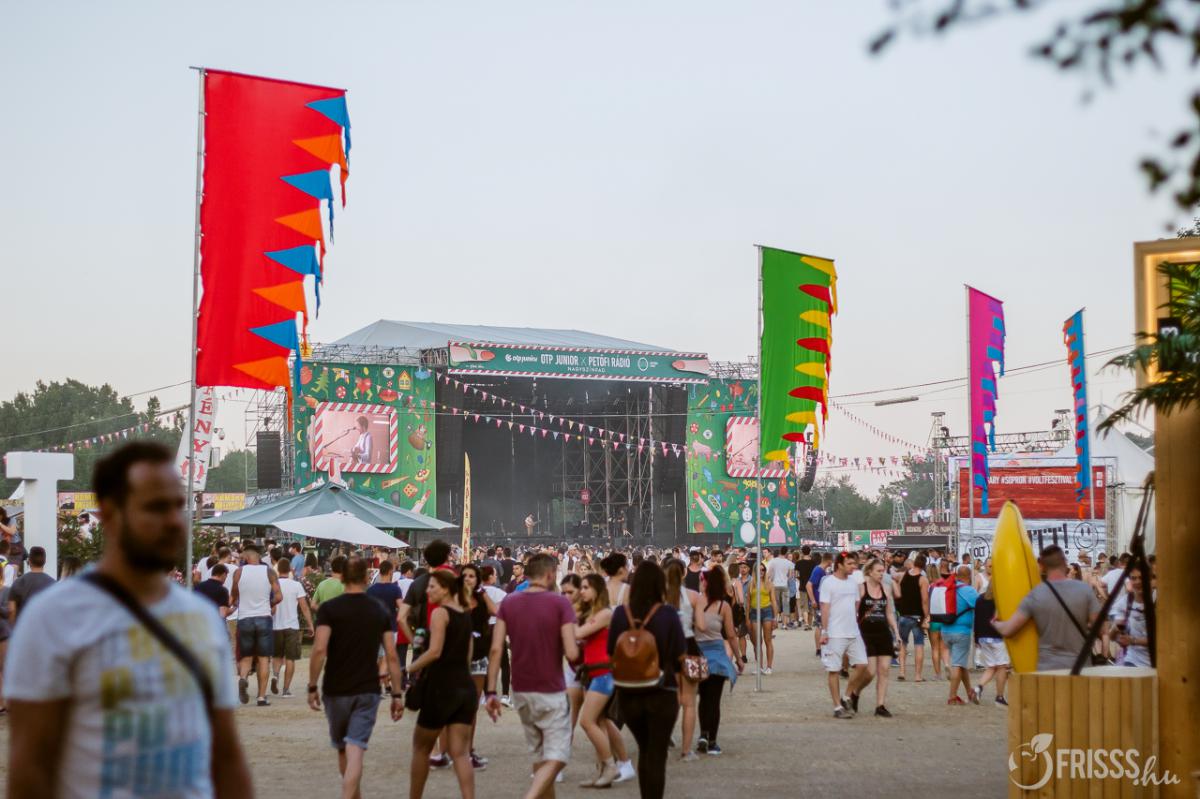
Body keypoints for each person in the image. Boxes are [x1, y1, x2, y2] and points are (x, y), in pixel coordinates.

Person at [4, 441, 253, 796]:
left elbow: (226, 757)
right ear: (109, 513)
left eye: (178, 505)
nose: (174, 521)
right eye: (155, 507)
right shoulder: (54, 618)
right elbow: (30, 768)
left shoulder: (202, 618)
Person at [308, 556, 404, 799]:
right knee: (356, 749)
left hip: (336, 687)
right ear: (365, 577)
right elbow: (391, 655)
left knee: (343, 748)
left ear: (341, 576)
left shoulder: (329, 609)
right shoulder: (378, 609)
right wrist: (396, 693)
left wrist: (312, 685)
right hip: (367, 688)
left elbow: (319, 649)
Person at [485, 553, 579, 798]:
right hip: (551, 688)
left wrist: (492, 691)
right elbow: (571, 652)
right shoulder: (560, 604)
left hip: (521, 689)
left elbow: (496, 649)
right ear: (550, 574)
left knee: (540, 755)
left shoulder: (509, 603)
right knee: (558, 755)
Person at [607, 561, 686, 799]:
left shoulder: (621, 614)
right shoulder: (668, 614)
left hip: (629, 693)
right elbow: (679, 654)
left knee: (644, 749)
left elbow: (611, 651)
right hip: (663, 690)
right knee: (657, 754)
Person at [406, 570, 478, 799]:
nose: (428, 591)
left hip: (441, 687)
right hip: (464, 687)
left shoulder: (440, 613)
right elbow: (468, 655)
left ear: (446, 589)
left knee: (421, 747)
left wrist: (409, 668)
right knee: (460, 753)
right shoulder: (465, 614)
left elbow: (435, 651)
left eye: (432, 587)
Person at [993, 545, 1104, 671]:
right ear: (1065, 562)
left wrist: (995, 623)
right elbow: (1100, 628)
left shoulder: (1035, 595)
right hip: (1081, 667)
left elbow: (1008, 630)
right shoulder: (1084, 590)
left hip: (1049, 669)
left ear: (1042, 566)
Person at [573, 573, 633, 787]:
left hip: (603, 673)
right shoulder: (593, 613)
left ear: (597, 590)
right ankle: (607, 769)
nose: (582, 591)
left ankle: (611, 765)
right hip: (592, 672)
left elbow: (578, 633)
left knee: (587, 721)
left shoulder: (605, 613)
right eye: (581, 587)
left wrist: (568, 615)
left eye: (586, 587)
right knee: (602, 722)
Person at [695, 563, 741, 755]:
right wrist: (739, 659)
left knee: (703, 699)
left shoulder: (696, 602)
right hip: (717, 657)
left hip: (698, 656)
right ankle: (712, 741)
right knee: (714, 701)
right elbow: (731, 635)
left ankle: (703, 735)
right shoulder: (724, 606)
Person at [230, 541, 282, 707]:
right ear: (259, 557)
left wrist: (235, 603)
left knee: (246, 656)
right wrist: (269, 603)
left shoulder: (239, 572)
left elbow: (233, 595)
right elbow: (279, 596)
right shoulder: (269, 572)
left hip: (245, 618)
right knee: (263, 659)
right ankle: (261, 697)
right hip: (264, 617)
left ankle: (243, 678)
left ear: (246, 557)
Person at [819, 552, 870, 718]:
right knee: (833, 669)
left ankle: (847, 695)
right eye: (850, 563)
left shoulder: (853, 582)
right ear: (839, 564)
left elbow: (856, 604)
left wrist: (853, 620)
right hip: (834, 633)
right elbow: (825, 608)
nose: (854, 567)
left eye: (854, 564)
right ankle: (837, 707)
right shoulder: (828, 583)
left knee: (862, 664)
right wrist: (824, 631)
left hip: (853, 631)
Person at [663, 558, 705, 760]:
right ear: (684, 573)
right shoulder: (693, 596)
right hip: (688, 645)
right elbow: (702, 626)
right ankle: (686, 750)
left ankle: (663, 740)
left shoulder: (659, 596)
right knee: (689, 702)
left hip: (664, 649)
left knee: (667, 699)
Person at [460, 563, 497, 770]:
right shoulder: (454, 599)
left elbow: (496, 611)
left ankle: (469, 749)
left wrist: (482, 593)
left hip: (479, 656)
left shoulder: (482, 598)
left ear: (478, 579)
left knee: (472, 705)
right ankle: (454, 750)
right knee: (457, 704)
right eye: (464, 575)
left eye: (472, 576)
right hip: (458, 658)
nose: (468, 579)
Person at [857, 558, 902, 717]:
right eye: (878, 571)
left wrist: (896, 632)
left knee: (884, 670)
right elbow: (855, 611)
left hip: (883, 632)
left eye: (883, 571)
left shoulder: (886, 589)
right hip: (866, 633)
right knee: (870, 672)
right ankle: (856, 692)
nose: (882, 574)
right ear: (869, 572)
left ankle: (880, 705)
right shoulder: (861, 588)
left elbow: (889, 613)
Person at [272, 557, 314, 698]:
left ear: (278, 570)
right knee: (290, 658)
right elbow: (304, 607)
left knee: (277, 656)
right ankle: (286, 690)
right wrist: (310, 624)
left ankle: (275, 676)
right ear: (290, 569)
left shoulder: (274, 585)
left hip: (276, 625)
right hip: (292, 626)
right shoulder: (296, 585)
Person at [941, 565, 979, 705]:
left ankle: (969, 691)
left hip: (945, 630)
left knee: (960, 662)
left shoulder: (948, 588)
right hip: (961, 632)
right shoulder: (969, 591)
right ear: (969, 577)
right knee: (957, 664)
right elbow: (980, 607)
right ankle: (952, 696)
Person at [366, 559, 404, 695]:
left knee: (380, 657)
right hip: (391, 626)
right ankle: (380, 684)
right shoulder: (395, 589)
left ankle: (385, 685)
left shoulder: (371, 590)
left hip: (375, 627)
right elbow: (401, 607)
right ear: (390, 571)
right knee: (388, 657)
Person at [970, 581, 1010, 705]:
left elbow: (976, 619)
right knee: (1002, 666)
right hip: (997, 637)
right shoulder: (1001, 600)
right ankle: (1000, 696)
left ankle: (978, 688)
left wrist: (976, 638)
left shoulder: (979, 599)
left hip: (983, 637)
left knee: (991, 667)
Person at [894, 553, 930, 682]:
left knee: (903, 644)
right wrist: (927, 615)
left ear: (914, 563)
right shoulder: (923, 579)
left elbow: (893, 578)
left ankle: (902, 671)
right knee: (919, 644)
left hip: (904, 615)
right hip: (917, 616)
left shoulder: (903, 575)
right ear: (924, 565)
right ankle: (917, 675)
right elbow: (925, 600)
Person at [559, 573, 586, 734]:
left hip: (593, 667)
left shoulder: (591, 611)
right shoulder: (562, 611)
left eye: (570, 592)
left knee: (596, 720)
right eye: (564, 592)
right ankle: (564, 747)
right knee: (570, 713)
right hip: (572, 667)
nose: (566, 596)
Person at [1111, 569, 1152, 667]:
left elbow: (1162, 640)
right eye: (1134, 578)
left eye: (1141, 578)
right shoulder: (1124, 602)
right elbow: (1112, 636)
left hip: (1159, 663)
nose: (1138, 582)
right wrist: (1116, 630)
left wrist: (1133, 641)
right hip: (1133, 661)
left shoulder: (1159, 600)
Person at [7, 546, 55, 625]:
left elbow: (12, 610)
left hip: (24, 628)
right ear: (45, 561)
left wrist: (13, 628)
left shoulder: (18, 582)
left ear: (29, 561)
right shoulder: (53, 584)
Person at [744, 561, 777, 674]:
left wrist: (775, 618)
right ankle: (760, 667)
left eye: (763, 569)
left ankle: (769, 667)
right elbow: (748, 603)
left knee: (768, 640)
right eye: (759, 570)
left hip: (767, 611)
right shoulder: (751, 584)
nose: (761, 572)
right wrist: (747, 618)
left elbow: (773, 601)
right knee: (757, 642)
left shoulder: (769, 584)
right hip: (754, 612)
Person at [807, 552, 831, 656]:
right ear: (829, 560)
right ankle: (818, 649)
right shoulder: (818, 570)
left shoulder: (821, 570)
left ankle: (820, 648)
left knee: (821, 624)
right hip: (817, 602)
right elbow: (809, 585)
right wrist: (813, 600)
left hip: (820, 602)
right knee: (819, 625)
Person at [765, 547, 794, 629]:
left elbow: (769, 574)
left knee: (775, 604)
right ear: (786, 553)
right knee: (785, 605)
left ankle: (775, 621)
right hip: (785, 585)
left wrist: (767, 583)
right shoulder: (789, 563)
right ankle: (784, 624)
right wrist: (785, 579)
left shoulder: (773, 561)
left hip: (775, 585)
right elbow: (790, 576)